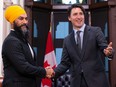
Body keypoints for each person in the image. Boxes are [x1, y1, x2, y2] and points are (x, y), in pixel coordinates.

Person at [53, 4, 114, 87]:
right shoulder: (67, 40)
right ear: (69, 18)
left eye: (81, 14)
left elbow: (105, 48)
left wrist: (108, 52)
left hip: (97, 82)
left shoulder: (95, 31)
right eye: (75, 14)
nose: (79, 17)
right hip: (77, 83)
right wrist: (53, 72)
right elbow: (64, 63)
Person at [2, 5, 54, 87]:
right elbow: (24, 67)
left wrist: (44, 71)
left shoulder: (23, 40)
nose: (25, 22)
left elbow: (30, 65)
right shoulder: (11, 41)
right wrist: (44, 72)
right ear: (12, 21)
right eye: (21, 19)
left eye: (26, 19)